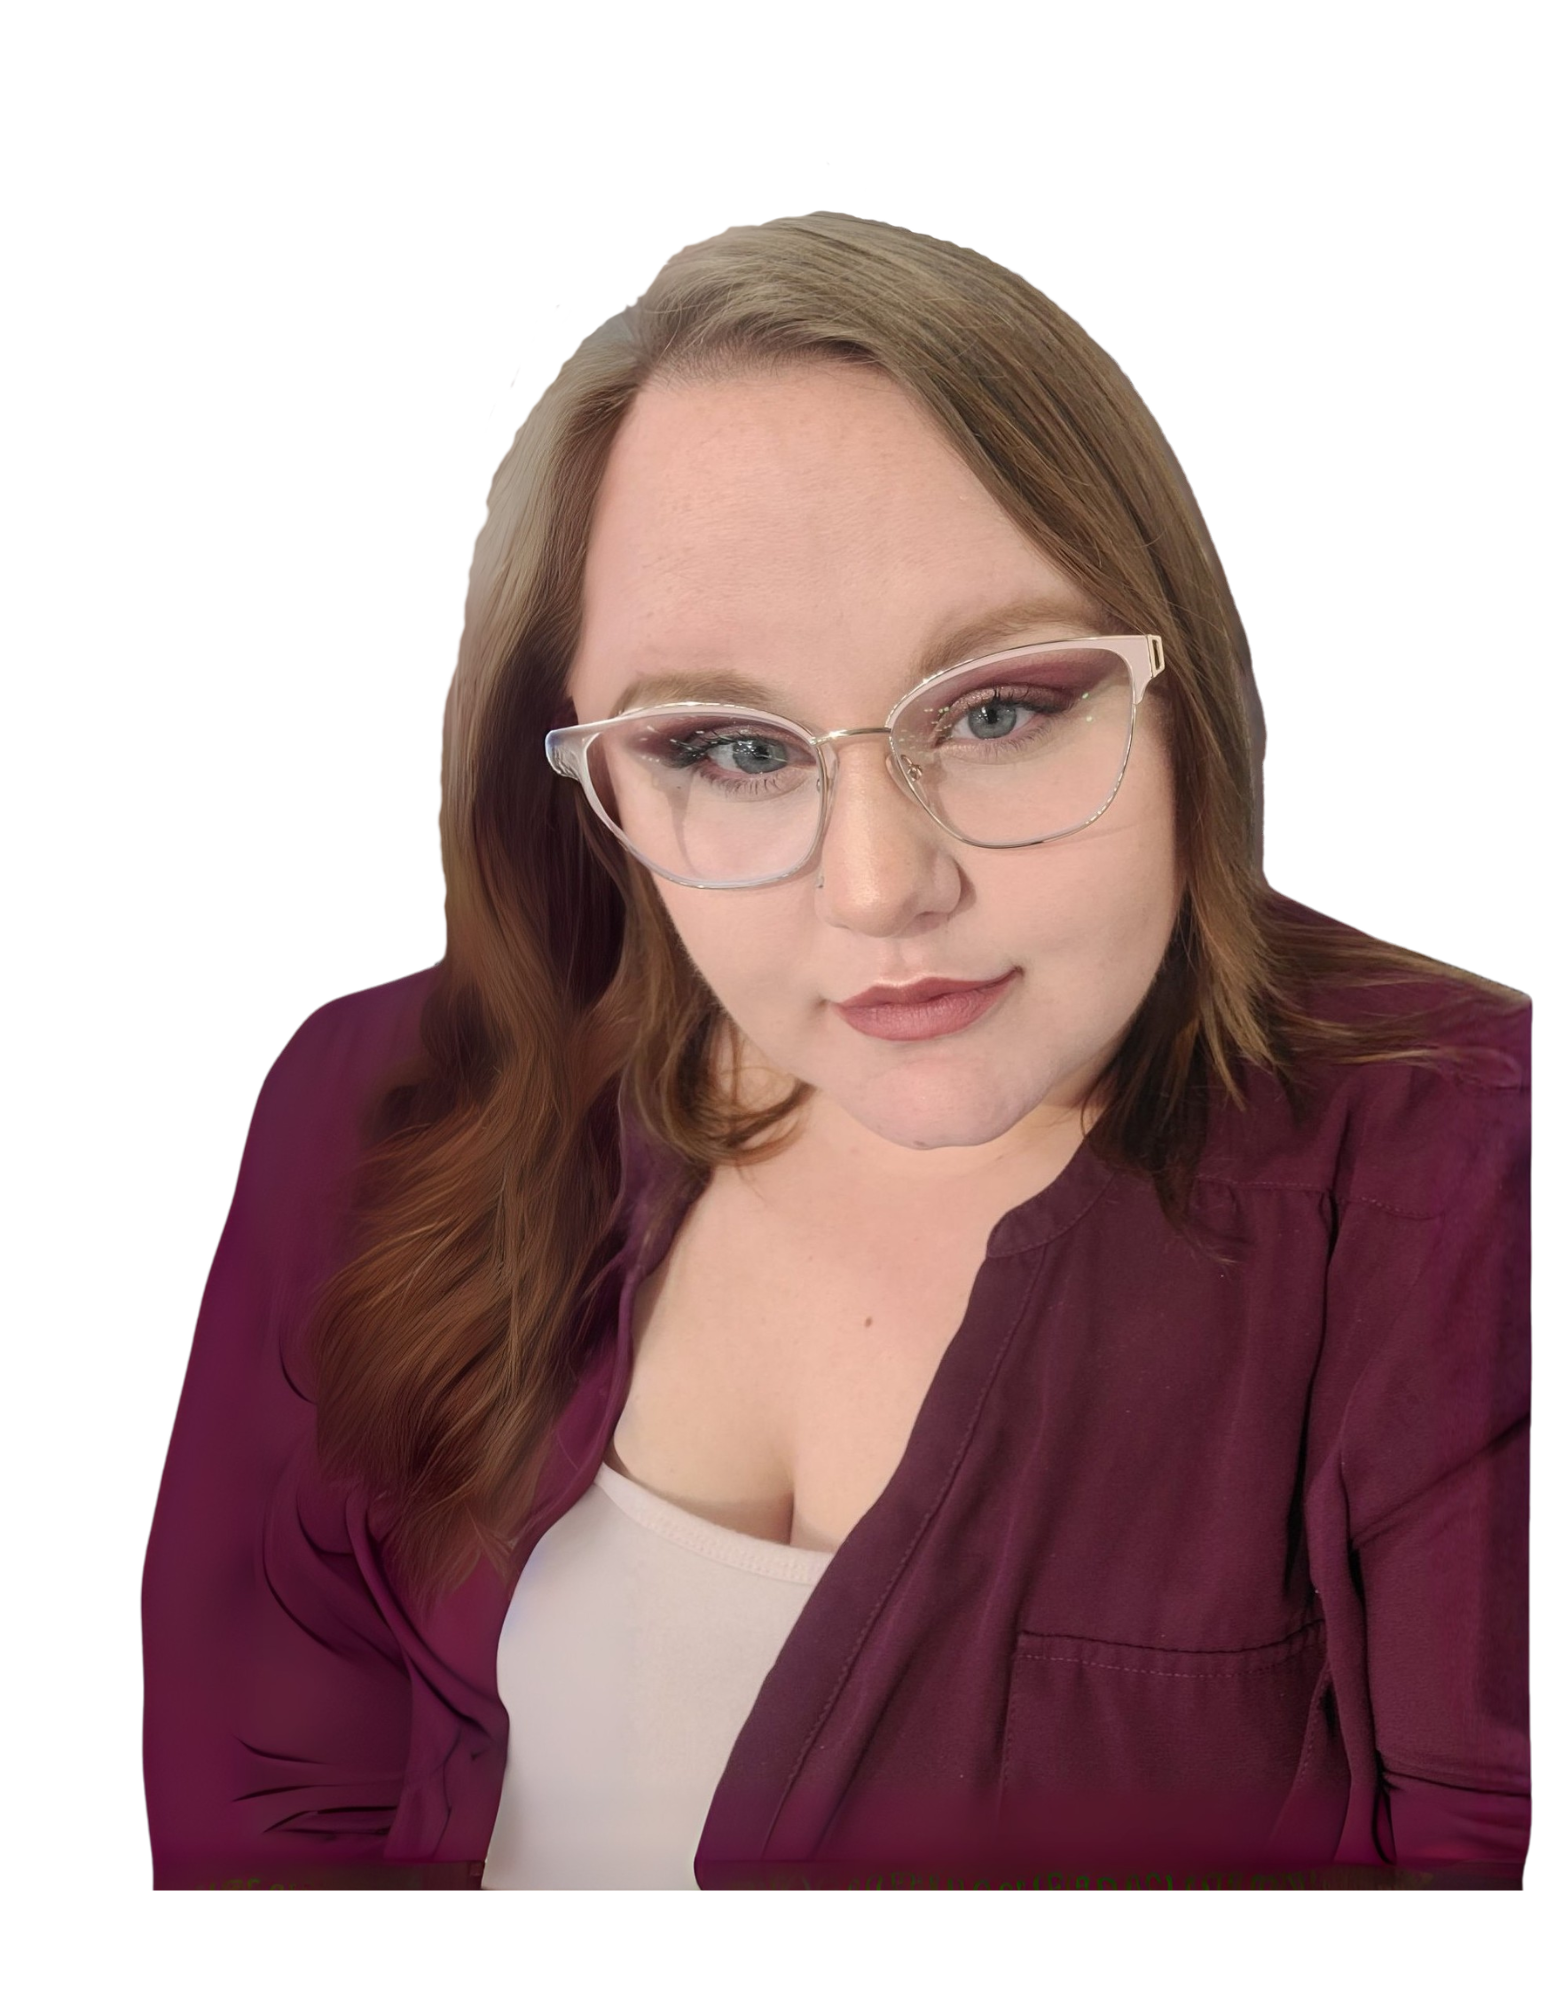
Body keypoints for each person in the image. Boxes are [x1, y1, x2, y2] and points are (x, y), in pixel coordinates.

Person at [141, 211, 1530, 1891]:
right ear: (578, 779)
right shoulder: (380, 1112)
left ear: (1185, 699)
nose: (883, 889)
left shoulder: (1477, 1178)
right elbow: (274, 1819)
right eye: (726, 747)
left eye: (1002, 709)